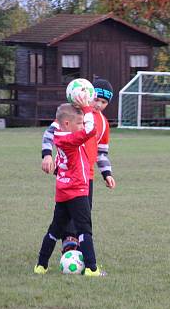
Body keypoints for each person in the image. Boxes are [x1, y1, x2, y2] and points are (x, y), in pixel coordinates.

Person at [41, 78, 116, 252]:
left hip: (87, 174)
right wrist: (47, 155)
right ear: (88, 94)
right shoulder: (73, 113)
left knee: (83, 212)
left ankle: (74, 244)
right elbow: (49, 134)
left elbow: (101, 153)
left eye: (103, 102)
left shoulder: (103, 123)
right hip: (68, 172)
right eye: (96, 99)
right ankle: (69, 243)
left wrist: (107, 174)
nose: (98, 104)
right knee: (67, 211)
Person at [34, 96, 105, 277]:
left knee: (54, 230)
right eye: (79, 123)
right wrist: (87, 109)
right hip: (77, 191)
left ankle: (41, 265)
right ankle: (92, 268)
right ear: (66, 123)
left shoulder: (59, 136)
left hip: (63, 192)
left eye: (82, 122)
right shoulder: (71, 140)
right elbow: (91, 130)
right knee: (84, 230)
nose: (82, 126)